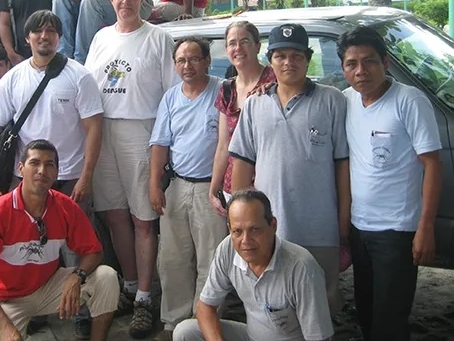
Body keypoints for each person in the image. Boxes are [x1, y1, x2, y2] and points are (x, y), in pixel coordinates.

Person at [0, 9, 104, 338]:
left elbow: (94, 127)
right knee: (33, 248)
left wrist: (86, 177)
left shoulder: (78, 76)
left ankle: (81, 313)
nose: (44, 36)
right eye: (38, 32)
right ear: (27, 38)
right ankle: (33, 304)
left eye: (51, 31)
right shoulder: (13, 78)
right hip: (30, 182)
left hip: (71, 179)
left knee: (78, 251)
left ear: (59, 37)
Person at [229, 23, 350, 316]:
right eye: (280, 55)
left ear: (308, 59)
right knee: (274, 308)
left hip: (319, 229)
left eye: (296, 55)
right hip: (269, 230)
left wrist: (344, 218)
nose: (288, 62)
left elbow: (342, 165)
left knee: (320, 306)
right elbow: (242, 163)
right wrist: (239, 217)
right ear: (269, 60)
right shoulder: (255, 104)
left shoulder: (332, 100)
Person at [85, 0, 178, 339]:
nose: (124, 2)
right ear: (110, 0)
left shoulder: (158, 37)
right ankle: (126, 285)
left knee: (143, 219)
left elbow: (172, 97)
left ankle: (144, 295)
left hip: (141, 132)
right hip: (102, 132)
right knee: (114, 215)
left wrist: (164, 146)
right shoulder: (100, 38)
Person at [338, 26, 442, 341]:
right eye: (351, 64)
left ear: (385, 62)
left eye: (369, 61)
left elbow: (433, 165)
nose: (361, 71)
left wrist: (425, 228)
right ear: (343, 68)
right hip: (360, 229)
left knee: (390, 321)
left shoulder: (409, 101)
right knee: (367, 315)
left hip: (397, 233)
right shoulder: (346, 101)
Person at [0, 139, 119, 341]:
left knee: (106, 277)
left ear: (57, 173)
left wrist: (76, 276)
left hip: (48, 286)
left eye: (49, 164)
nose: (42, 170)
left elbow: (95, 252)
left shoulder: (65, 206)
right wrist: (3, 325)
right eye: (34, 163)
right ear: (21, 168)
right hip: (8, 299)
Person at [172, 189, 334, 341]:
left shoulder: (302, 268)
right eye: (237, 231)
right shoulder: (228, 248)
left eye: (255, 229)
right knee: (185, 332)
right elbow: (205, 307)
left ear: (273, 226)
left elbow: (319, 337)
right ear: (230, 229)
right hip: (250, 336)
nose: (246, 241)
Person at [148, 36, 226, 341]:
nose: (187, 66)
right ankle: (174, 322)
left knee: (211, 259)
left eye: (194, 59)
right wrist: (155, 184)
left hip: (212, 189)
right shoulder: (170, 97)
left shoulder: (222, 90)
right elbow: (160, 144)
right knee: (172, 258)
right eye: (181, 60)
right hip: (178, 186)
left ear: (207, 61)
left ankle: (204, 322)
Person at [210, 22, 276, 214]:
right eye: (232, 43)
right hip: (235, 187)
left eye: (244, 41)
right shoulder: (227, 89)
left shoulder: (275, 81)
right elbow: (223, 145)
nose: (238, 48)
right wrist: (214, 188)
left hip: (269, 186)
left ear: (258, 45)